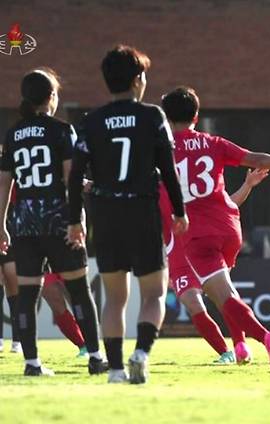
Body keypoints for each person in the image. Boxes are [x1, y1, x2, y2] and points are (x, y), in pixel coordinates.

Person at [160, 86, 270, 372]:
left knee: (223, 296)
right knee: (225, 291)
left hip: (197, 234)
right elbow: (257, 159)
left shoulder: (161, 151)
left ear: (165, 117)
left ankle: (266, 338)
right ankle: (239, 346)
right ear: (196, 117)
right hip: (229, 226)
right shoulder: (214, 143)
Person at [68, 45, 188, 384]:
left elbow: (76, 176)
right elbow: (168, 170)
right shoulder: (152, 116)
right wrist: (179, 212)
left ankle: (116, 370)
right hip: (141, 210)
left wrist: (74, 219)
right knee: (153, 293)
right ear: (138, 80)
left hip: (106, 214)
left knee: (115, 299)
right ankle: (142, 353)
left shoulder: (91, 121)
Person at [0, 67, 106, 377]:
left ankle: (32, 363)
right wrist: (77, 219)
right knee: (78, 289)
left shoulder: (13, 134)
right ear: (51, 97)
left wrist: (2, 224)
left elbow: (4, 185)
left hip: (24, 222)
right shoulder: (61, 130)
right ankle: (96, 357)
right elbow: (70, 178)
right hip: (58, 218)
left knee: (27, 294)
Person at [160, 167, 269, 364]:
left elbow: (228, 206)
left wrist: (247, 185)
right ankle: (225, 353)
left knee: (223, 299)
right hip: (178, 256)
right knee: (193, 304)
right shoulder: (156, 191)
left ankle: (240, 346)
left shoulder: (196, 186)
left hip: (201, 249)